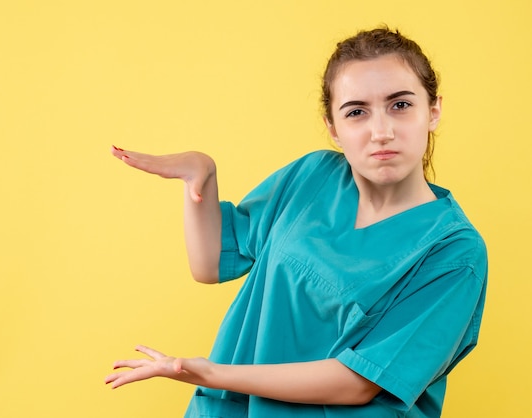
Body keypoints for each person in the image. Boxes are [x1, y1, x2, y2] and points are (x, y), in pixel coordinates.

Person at [105, 27, 488, 418]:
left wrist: (214, 373)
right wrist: (199, 176)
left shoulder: (454, 252)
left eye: (400, 105)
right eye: (356, 112)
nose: (381, 132)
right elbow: (209, 265)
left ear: (433, 111)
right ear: (333, 129)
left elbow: (357, 383)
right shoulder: (313, 176)